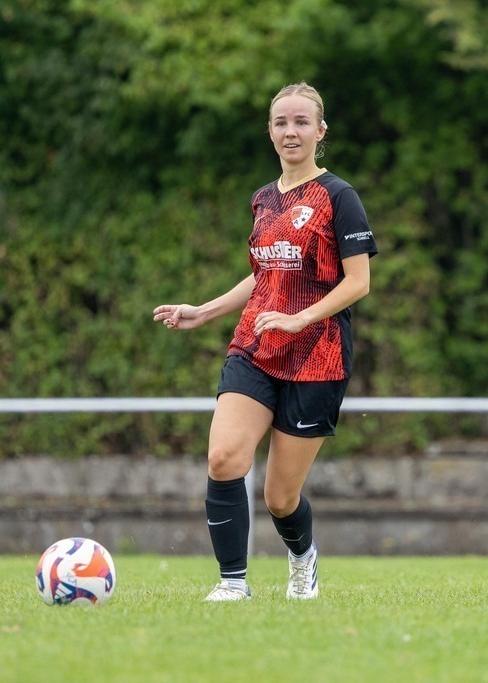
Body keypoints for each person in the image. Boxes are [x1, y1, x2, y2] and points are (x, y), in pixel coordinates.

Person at [153, 82, 378, 601]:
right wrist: (203, 310)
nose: (290, 131)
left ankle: (303, 558)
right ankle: (233, 583)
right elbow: (265, 274)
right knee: (224, 458)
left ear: (320, 132)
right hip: (255, 348)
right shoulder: (263, 199)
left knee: (280, 497)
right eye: (281, 122)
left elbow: (358, 282)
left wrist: (303, 320)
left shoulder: (338, 197)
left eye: (301, 122)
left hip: (317, 358)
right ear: (270, 132)